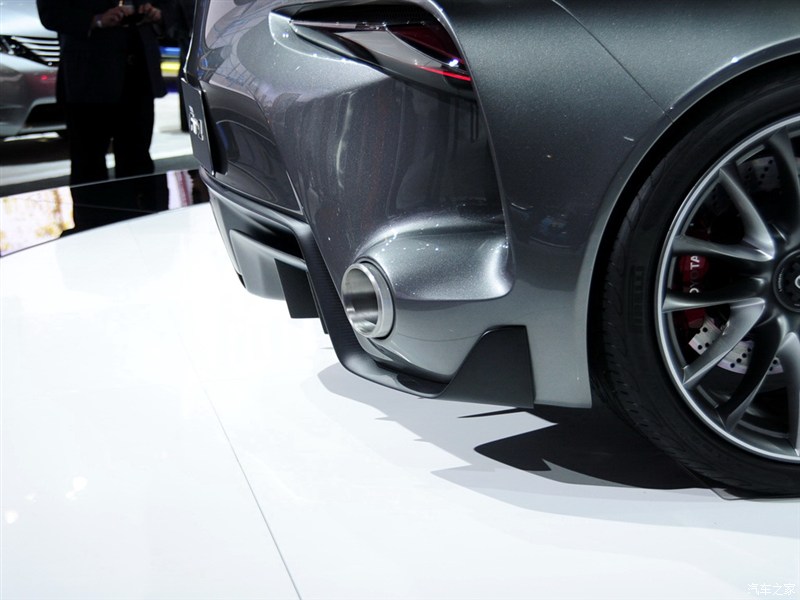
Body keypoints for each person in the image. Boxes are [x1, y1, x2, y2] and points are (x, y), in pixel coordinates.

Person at [37, 1, 169, 185]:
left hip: (139, 72)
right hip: (89, 76)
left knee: (138, 164)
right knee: (89, 166)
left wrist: (158, 13)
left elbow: (170, 7)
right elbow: (50, 13)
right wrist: (95, 20)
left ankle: (143, 202)